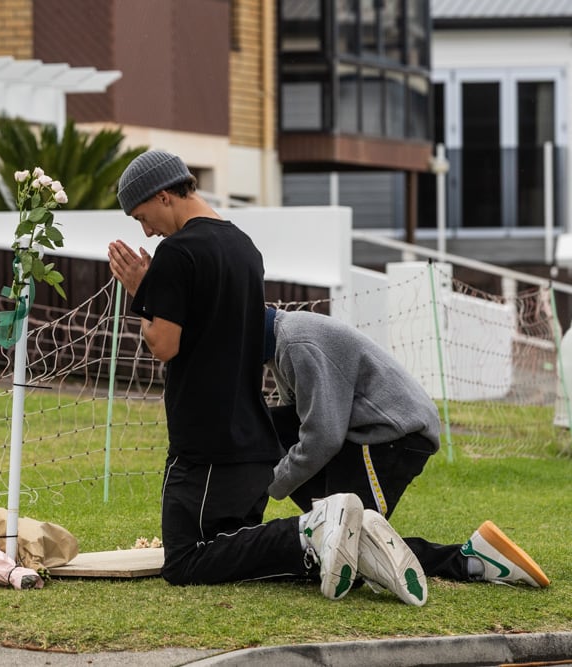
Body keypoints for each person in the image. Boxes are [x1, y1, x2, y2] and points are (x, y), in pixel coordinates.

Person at [107, 150, 423, 603]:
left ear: (164, 195)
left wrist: (141, 291)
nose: (146, 230)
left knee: (183, 562)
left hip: (205, 441)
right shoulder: (244, 248)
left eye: (142, 216)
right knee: (236, 552)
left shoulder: (177, 252)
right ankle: (351, 544)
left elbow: (163, 345)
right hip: (250, 441)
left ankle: (312, 530)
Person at [264, 306, 550, 591]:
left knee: (347, 550)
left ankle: (473, 560)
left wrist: (268, 484)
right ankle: (325, 533)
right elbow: (300, 423)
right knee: (337, 540)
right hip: (368, 434)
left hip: (391, 435)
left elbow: (323, 437)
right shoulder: (285, 338)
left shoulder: (295, 343)